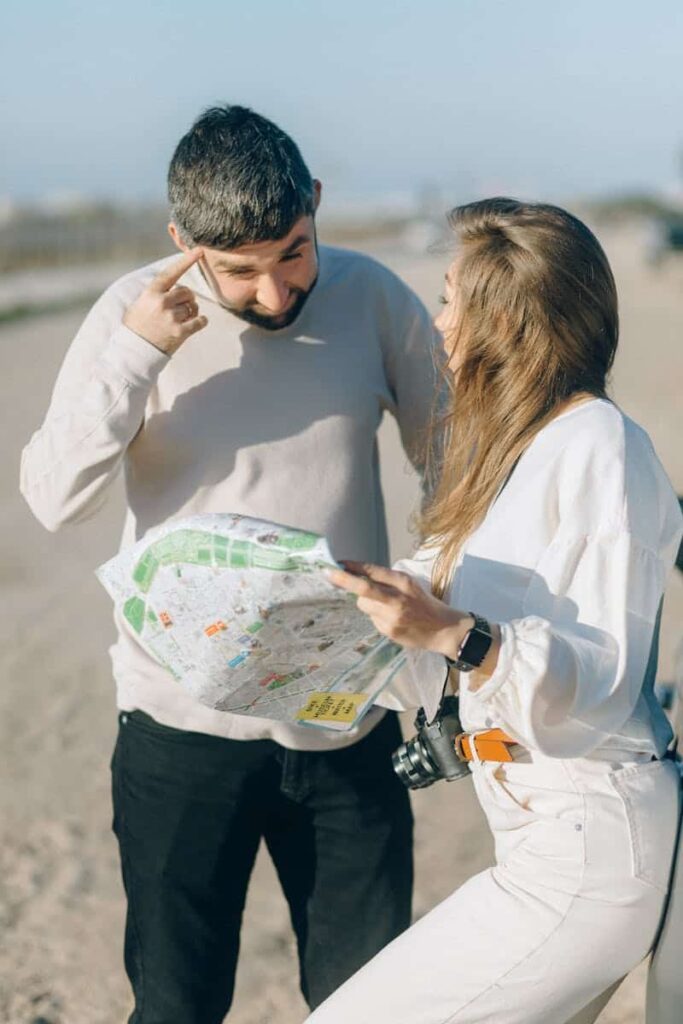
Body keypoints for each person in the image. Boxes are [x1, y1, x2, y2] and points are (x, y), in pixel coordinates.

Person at [20, 105, 442, 1023]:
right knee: (176, 1007)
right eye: (239, 270)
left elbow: (453, 466)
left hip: (345, 729)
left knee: (370, 1007)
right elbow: (53, 498)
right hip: (179, 732)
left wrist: (432, 599)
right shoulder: (131, 313)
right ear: (183, 241)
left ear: (315, 204)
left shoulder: (373, 296)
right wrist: (138, 353)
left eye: (293, 251)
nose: (275, 293)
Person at [306, 198, 683, 1024]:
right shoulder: (515, 452)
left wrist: (453, 632)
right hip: (536, 836)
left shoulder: (600, 447)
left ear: (507, 324)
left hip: (588, 844)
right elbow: (437, 657)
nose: (438, 324)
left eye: (451, 300)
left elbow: (602, 682)